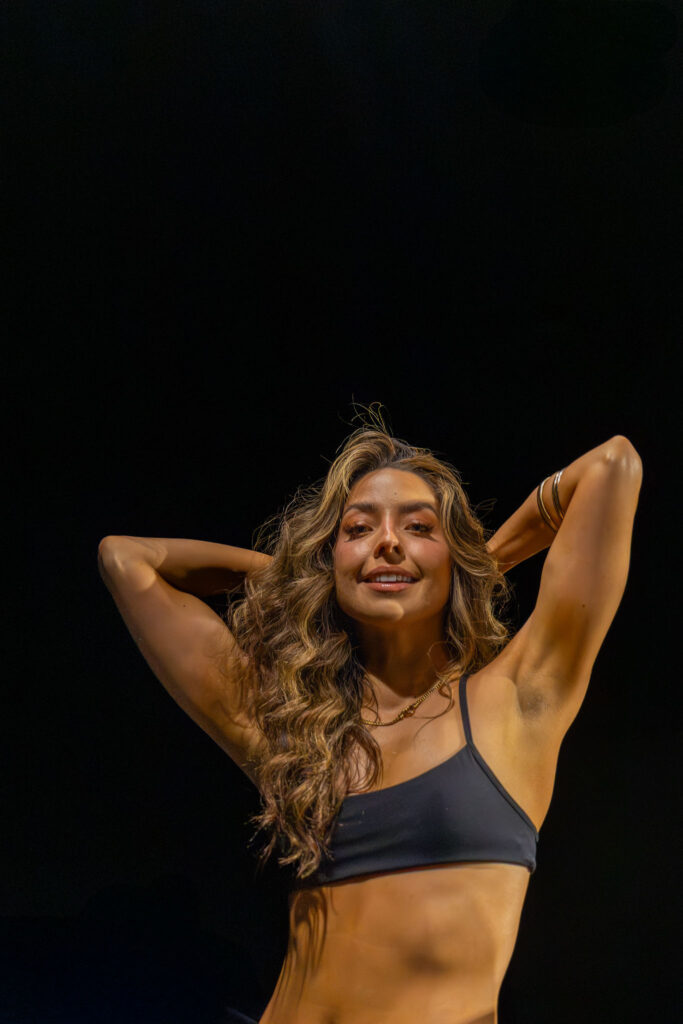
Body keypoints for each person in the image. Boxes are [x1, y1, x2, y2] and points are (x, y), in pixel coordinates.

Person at [98, 409, 643, 1024]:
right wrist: (306, 579)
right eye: (359, 529)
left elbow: (612, 465)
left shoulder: (515, 700)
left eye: (419, 527)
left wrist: (478, 566)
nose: (387, 541)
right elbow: (127, 560)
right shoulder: (293, 733)